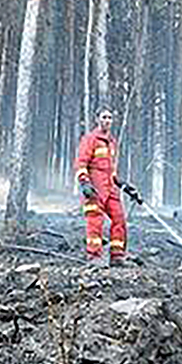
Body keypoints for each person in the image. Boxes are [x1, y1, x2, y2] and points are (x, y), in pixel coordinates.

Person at [75, 109, 131, 266]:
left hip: (110, 187)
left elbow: (111, 170)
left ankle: (117, 256)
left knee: (119, 218)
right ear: (97, 119)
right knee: (95, 220)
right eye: (104, 117)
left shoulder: (112, 142)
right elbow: (81, 163)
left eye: (110, 118)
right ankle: (94, 256)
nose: (107, 120)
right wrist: (84, 183)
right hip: (95, 186)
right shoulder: (90, 139)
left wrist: (123, 185)